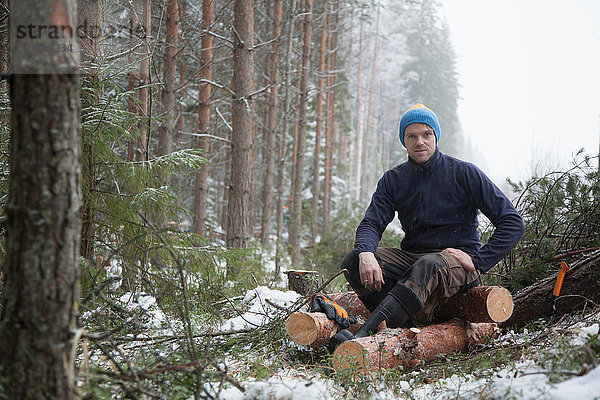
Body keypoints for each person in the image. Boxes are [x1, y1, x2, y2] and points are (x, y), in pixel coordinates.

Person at [328, 104, 525, 350]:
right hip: (414, 259)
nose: (419, 141)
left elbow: (512, 222)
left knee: (428, 265)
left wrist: (478, 260)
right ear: (404, 141)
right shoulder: (394, 180)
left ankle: (365, 337)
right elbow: (372, 222)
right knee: (353, 260)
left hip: (454, 263)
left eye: (426, 134)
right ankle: (404, 322)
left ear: (435, 137)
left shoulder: (464, 173)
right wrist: (365, 252)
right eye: (412, 136)